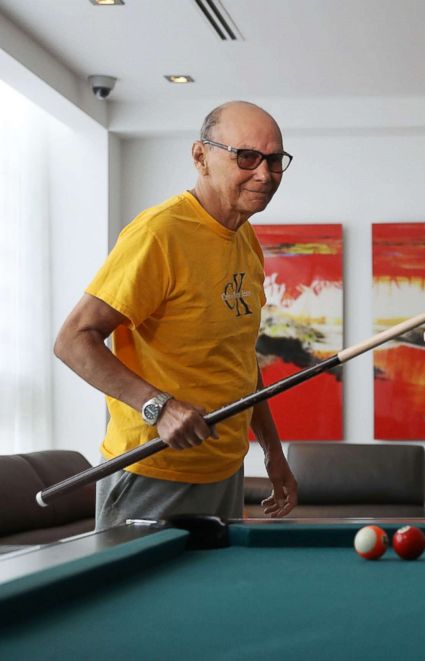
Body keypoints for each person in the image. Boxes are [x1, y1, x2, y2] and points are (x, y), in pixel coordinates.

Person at [54, 101, 298, 528]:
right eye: (246, 157)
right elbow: (73, 340)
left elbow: (240, 358)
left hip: (224, 470)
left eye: (275, 160)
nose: (264, 173)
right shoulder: (159, 234)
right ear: (201, 157)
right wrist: (158, 407)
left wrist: (273, 452)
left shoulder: (246, 241)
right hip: (151, 471)